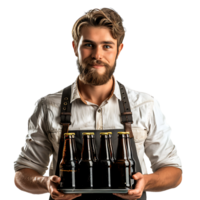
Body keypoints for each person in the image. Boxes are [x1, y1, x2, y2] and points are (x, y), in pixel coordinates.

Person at [12, 7, 184, 200]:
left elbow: (175, 173)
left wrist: (146, 181)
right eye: (88, 45)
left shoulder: (146, 104)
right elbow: (21, 175)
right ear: (74, 47)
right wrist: (44, 183)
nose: (97, 55)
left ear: (120, 50)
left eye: (107, 46)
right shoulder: (47, 106)